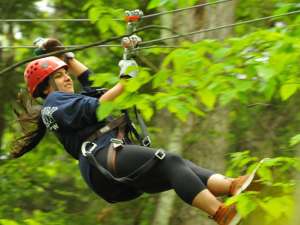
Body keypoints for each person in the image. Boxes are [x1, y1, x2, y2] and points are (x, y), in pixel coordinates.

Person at [11, 38, 256, 225]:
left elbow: (88, 80)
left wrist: (66, 56)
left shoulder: (68, 99)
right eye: (59, 75)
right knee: (168, 161)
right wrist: (124, 80)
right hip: (101, 159)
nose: (67, 79)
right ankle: (220, 213)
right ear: (44, 87)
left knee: (178, 166)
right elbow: (100, 105)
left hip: (107, 163)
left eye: (66, 74)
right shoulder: (54, 103)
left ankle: (232, 186)